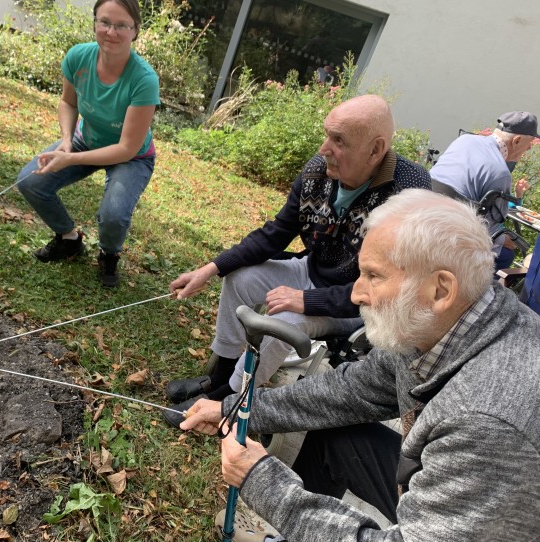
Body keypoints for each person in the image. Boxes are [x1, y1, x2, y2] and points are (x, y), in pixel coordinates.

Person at [181, 189, 540, 542]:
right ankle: (289, 540)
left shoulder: (491, 422)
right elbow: (353, 392)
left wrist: (261, 480)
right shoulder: (450, 318)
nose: (356, 293)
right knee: (332, 437)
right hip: (459, 498)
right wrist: (237, 407)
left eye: (373, 276)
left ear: (440, 289)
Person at [163, 94, 431, 427]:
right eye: (327, 134)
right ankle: (219, 376)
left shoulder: (410, 194)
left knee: (285, 318)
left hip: (356, 305)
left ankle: (228, 402)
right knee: (240, 278)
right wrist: (212, 268)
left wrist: (305, 300)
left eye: (338, 140)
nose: (323, 148)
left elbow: (384, 290)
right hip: (311, 270)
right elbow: (276, 233)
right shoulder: (319, 171)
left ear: (376, 150)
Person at [16, 0, 160, 288]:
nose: (111, 31)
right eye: (104, 22)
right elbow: (68, 102)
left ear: (135, 31)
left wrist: (70, 159)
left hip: (130, 156)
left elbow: (126, 148)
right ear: (94, 22)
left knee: (113, 215)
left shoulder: (144, 80)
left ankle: (109, 253)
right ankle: (69, 239)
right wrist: (67, 142)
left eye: (122, 25)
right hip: (84, 140)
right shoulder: (78, 57)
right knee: (30, 181)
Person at [430, 111, 540, 270]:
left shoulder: (464, 140)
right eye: (530, 142)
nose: (530, 147)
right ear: (517, 141)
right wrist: (503, 240)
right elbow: (489, 229)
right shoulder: (500, 172)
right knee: (506, 254)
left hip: (423, 215)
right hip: (451, 240)